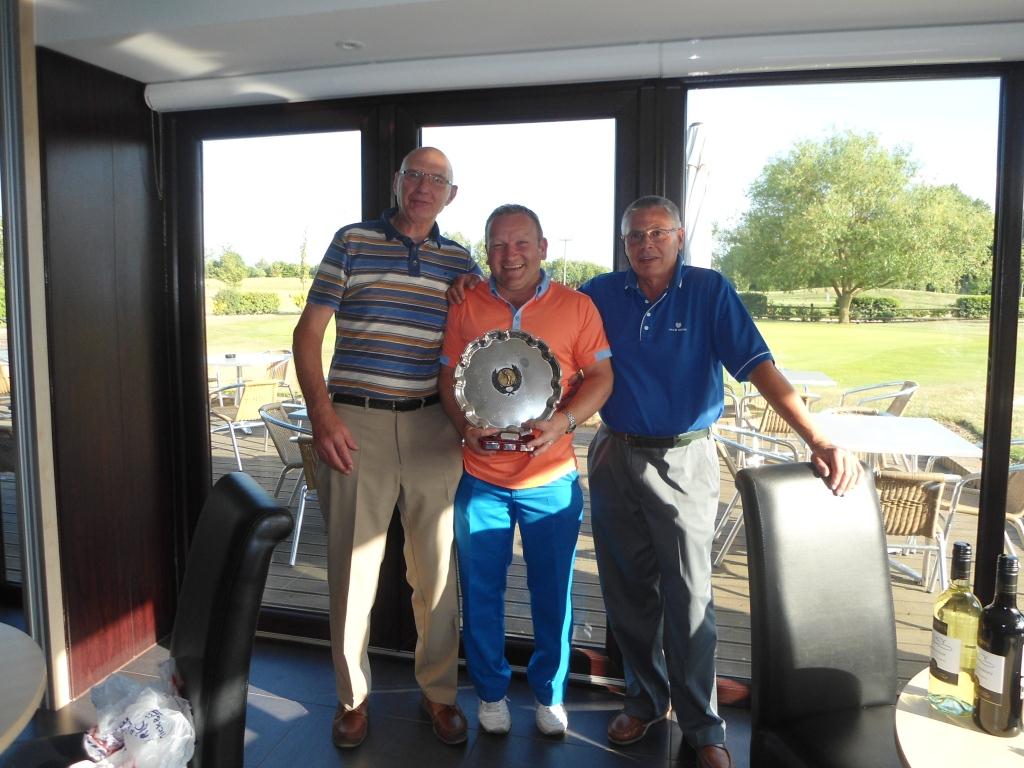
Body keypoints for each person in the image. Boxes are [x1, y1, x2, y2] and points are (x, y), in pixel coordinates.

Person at [577, 195, 862, 768]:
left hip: (685, 458)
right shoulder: (599, 293)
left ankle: (702, 723)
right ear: (624, 242)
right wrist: (468, 288)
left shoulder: (709, 291)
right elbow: (543, 321)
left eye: (658, 232)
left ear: (679, 237)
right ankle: (645, 699)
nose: (646, 244)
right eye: (635, 235)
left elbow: (758, 367)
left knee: (690, 598)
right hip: (613, 455)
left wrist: (816, 436)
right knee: (627, 593)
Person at [292, 147, 482, 749]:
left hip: (434, 428)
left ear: (451, 194)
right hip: (355, 425)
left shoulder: (461, 261)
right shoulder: (352, 242)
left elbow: (481, 337)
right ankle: (352, 698)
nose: (424, 186)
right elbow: (308, 334)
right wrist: (322, 416)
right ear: (397, 182)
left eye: (437, 179)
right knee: (352, 570)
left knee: (438, 571)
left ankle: (440, 694)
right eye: (414, 175)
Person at [438, 204, 613, 737]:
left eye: (521, 243)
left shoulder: (577, 307)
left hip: (550, 482)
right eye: (497, 244)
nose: (509, 255)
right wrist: (462, 425)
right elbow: (449, 377)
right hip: (482, 479)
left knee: (553, 594)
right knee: (480, 592)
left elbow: (601, 377)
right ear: (486, 250)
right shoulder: (466, 303)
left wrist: (563, 422)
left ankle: (549, 695)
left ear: (542, 247)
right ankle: (490, 692)